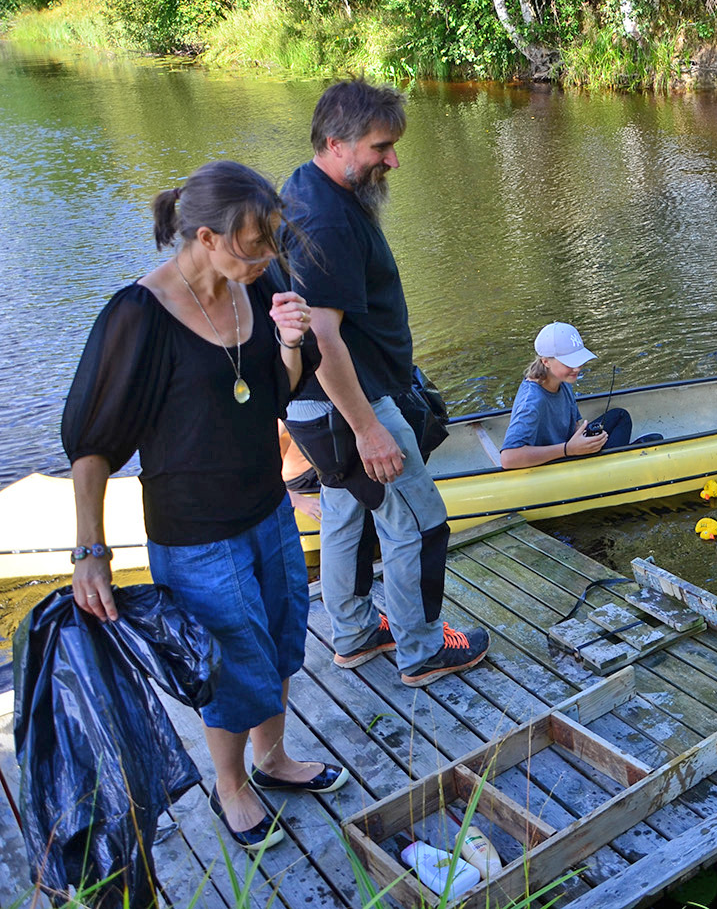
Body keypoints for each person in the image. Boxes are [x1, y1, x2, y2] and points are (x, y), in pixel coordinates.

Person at [62, 160, 346, 854]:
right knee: (225, 662)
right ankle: (232, 786)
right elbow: (91, 446)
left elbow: (276, 395)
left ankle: (272, 760)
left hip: (267, 510)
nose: (270, 258)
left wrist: (287, 341)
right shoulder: (139, 316)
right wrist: (90, 552)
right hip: (194, 534)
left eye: (272, 241)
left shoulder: (262, 284)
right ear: (206, 237)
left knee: (280, 638)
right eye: (255, 244)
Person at [281, 79, 488, 689]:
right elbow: (321, 337)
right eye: (381, 147)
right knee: (419, 522)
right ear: (336, 142)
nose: (393, 160)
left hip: (316, 412)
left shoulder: (304, 187)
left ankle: (352, 633)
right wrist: (370, 428)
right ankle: (422, 650)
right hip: (349, 407)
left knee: (346, 511)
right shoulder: (327, 222)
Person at [499, 323, 661, 468]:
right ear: (546, 362)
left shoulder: (562, 379)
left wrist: (587, 438)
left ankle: (614, 460)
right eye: (568, 362)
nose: (576, 368)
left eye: (578, 360)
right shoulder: (532, 401)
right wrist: (568, 449)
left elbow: (574, 423)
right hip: (555, 460)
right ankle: (614, 465)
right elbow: (508, 458)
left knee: (620, 416)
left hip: (568, 446)